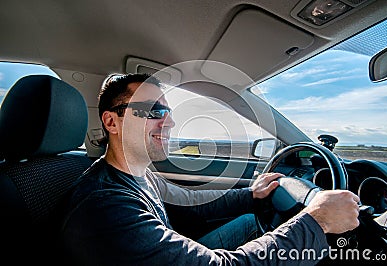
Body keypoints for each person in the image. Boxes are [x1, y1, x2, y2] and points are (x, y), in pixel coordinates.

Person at [60, 73, 360, 265]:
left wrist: (251, 195)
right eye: (154, 111)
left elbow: (190, 205)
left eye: (168, 112)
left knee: (250, 221)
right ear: (112, 122)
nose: (169, 122)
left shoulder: (139, 174)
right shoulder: (105, 205)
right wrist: (316, 222)